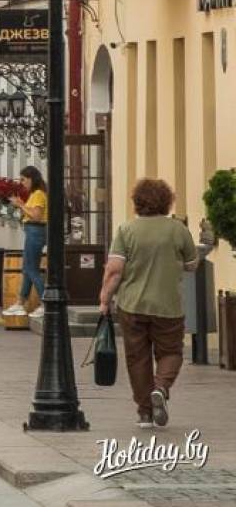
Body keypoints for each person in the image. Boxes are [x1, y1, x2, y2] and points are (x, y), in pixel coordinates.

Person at [99, 179, 198, 429]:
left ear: (137, 202)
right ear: (167, 202)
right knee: (171, 352)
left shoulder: (126, 230)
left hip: (132, 306)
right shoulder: (178, 230)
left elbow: (114, 271)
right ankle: (161, 387)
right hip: (168, 306)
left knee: (137, 358)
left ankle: (144, 412)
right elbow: (192, 264)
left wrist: (104, 299)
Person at [4, 165, 47, 318]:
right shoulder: (35, 194)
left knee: (31, 269)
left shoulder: (38, 194)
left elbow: (36, 215)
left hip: (36, 230)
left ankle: (45, 303)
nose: (22, 182)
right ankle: (20, 303)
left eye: (23, 179)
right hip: (33, 231)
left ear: (31, 178)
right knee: (27, 269)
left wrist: (20, 205)